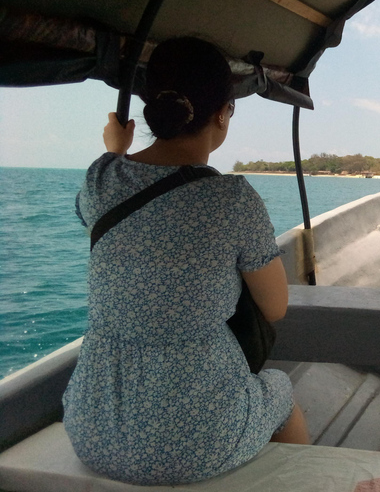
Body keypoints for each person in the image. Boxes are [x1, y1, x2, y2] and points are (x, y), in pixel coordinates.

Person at [62, 37, 308, 486]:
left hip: (92, 428)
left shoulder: (101, 177)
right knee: (280, 391)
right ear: (222, 113)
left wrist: (116, 149)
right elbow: (274, 309)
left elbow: (94, 207)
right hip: (196, 441)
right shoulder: (232, 198)